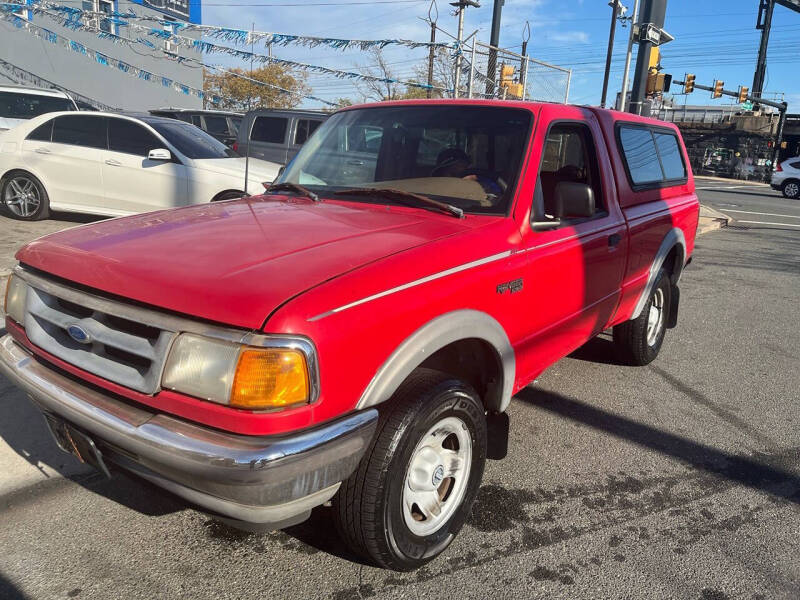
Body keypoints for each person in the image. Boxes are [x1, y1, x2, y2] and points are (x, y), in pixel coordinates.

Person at [432, 147, 503, 196]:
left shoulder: (477, 179)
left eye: (464, 164)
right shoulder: (433, 184)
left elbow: (497, 191)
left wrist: (478, 185)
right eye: (461, 164)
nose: (466, 167)